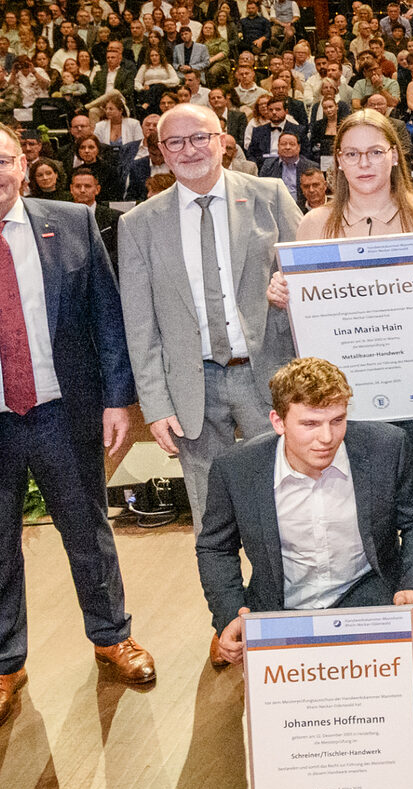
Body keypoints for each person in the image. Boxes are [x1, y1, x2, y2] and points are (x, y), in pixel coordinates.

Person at [265, 109, 413, 656]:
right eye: (351, 153)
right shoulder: (313, 225)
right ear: (338, 162)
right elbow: (304, 316)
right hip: (338, 400)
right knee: (358, 496)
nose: (363, 163)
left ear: (395, 155)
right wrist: (281, 293)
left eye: (374, 151)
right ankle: (369, 594)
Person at [0, 124, 155, 728]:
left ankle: (112, 636)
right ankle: (6, 661)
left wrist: (118, 400)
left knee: (87, 531)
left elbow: (105, 314)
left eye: (4, 160)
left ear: (24, 162)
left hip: (64, 409)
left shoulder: (69, 221)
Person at [196, 358, 413, 684]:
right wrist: (230, 614)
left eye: (337, 420)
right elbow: (215, 548)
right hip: (282, 606)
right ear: (278, 421)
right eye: (310, 424)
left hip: (365, 594)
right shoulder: (236, 469)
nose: (327, 437)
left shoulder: (387, 447)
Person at [117, 103, 302, 537]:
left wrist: (289, 291)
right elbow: (140, 326)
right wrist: (156, 406)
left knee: (289, 502)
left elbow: (311, 277)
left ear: (222, 140)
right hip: (190, 388)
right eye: (175, 141)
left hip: (269, 375)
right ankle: (227, 606)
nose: (190, 149)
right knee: (211, 519)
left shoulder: (270, 197)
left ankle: (288, 602)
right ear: (160, 150)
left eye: (200, 137)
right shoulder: (138, 224)